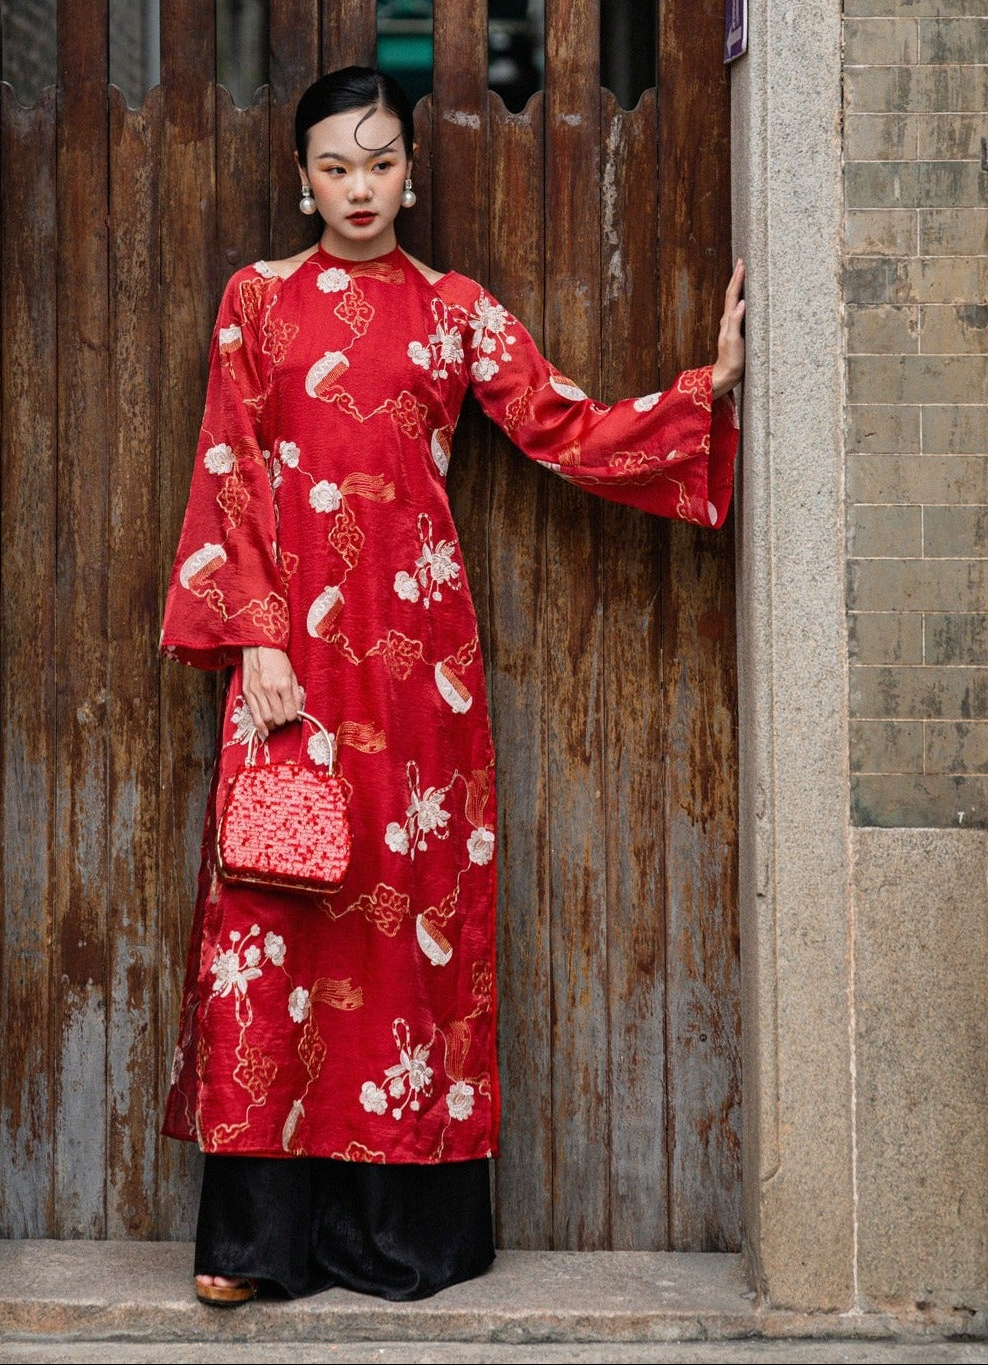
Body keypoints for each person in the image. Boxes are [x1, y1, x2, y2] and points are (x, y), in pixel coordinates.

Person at [158, 65, 746, 1306]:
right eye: (335, 164)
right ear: (300, 176)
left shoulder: (456, 310)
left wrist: (708, 392)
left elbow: (563, 425)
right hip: (292, 667)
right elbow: (230, 467)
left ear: (413, 172)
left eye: (380, 162)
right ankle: (256, 1246)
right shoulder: (256, 303)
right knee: (273, 917)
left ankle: (400, 1238)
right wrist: (257, 636)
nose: (359, 186)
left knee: (406, 925)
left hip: (423, 669)